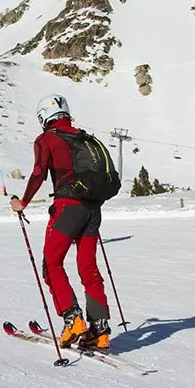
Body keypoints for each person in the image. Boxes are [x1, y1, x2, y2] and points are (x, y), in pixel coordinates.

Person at [10, 94, 114, 352]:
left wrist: (22, 202)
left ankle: (73, 319)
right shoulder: (84, 137)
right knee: (88, 267)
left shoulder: (47, 139)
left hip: (68, 209)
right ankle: (99, 330)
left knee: (52, 264)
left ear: (43, 117)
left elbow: (38, 174)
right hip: (93, 209)